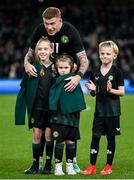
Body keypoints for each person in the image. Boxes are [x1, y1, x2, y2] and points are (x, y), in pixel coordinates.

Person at [24, 7, 89, 172]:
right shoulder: (40, 30)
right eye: (46, 24)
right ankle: (43, 164)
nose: (49, 27)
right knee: (47, 127)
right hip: (47, 84)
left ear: (60, 20)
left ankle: (72, 161)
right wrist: (27, 64)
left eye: (52, 23)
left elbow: (84, 59)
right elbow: (30, 54)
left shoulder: (70, 31)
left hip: (68, 85)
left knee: (70, 126)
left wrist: (78, 77)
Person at [81, 41, 125, 176]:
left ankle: (108, 166)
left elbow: (122, 92)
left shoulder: (117, 72)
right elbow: (94, 93)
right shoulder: (94, 73)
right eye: (102, 53)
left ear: (114, 56)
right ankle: (92, 166)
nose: (104, 56)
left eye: (108, 54)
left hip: (113, 113)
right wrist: (92, 90)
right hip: (99, 112)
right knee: (95, 137)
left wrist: (110, 89)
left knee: (111, 139)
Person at [15, 37, 54, 174]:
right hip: (37, 108)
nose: (42, 51)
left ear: (51, 50)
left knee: (49, 135)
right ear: (36, 51)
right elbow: (23, 88)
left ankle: (48, 165)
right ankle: (35, 165)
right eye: (40, 49)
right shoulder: (32, 68)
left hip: (51, 109)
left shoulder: (56, 68)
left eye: (45, 49)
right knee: (37, 134)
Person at [49, 54, 86, 175]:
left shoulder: (74, 80)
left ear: (71, 68)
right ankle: (58, 166)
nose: (63, 70)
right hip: (59, 118)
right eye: (60, 67)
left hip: (72, 119)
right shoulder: (55, 81)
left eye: (65, 67)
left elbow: (78, 98)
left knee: (71, 141)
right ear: (56, 68)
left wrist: (77, 109)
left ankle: (70, 165)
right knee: (60, 141)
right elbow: (52, 97)